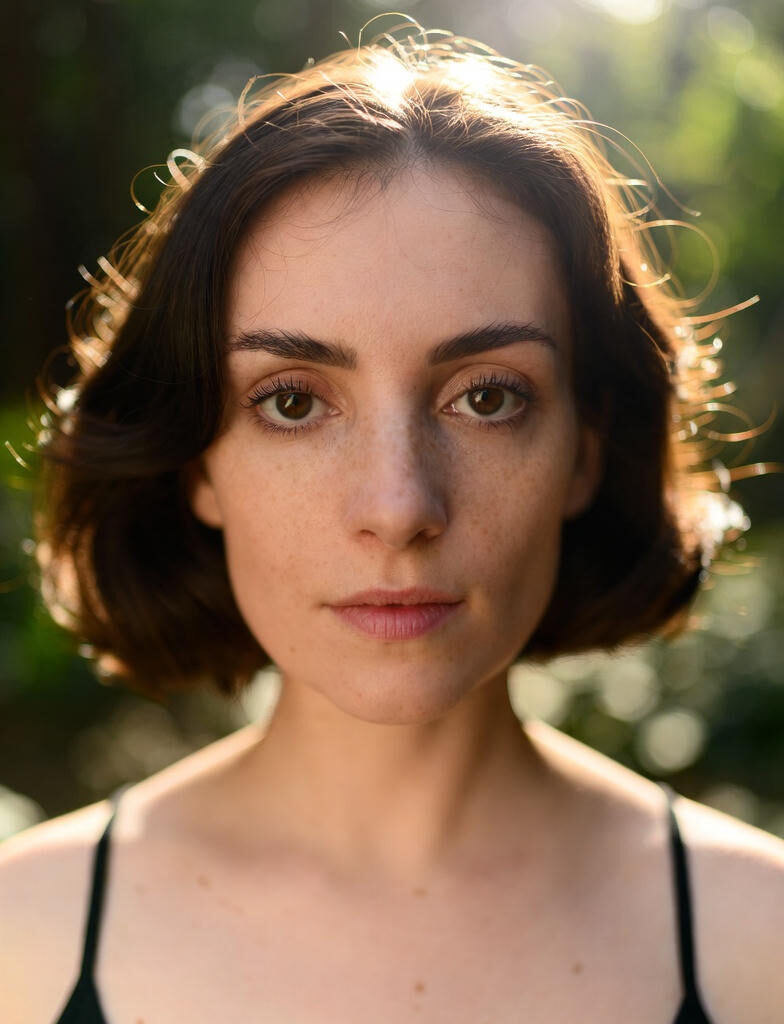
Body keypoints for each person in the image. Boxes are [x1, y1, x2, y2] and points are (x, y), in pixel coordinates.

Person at [1, 18, 783, 1024]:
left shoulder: (762, 946)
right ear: (195, 457)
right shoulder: (23, 944)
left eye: (487, 396)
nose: (399, 506)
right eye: (291, 401)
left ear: (586, 448)